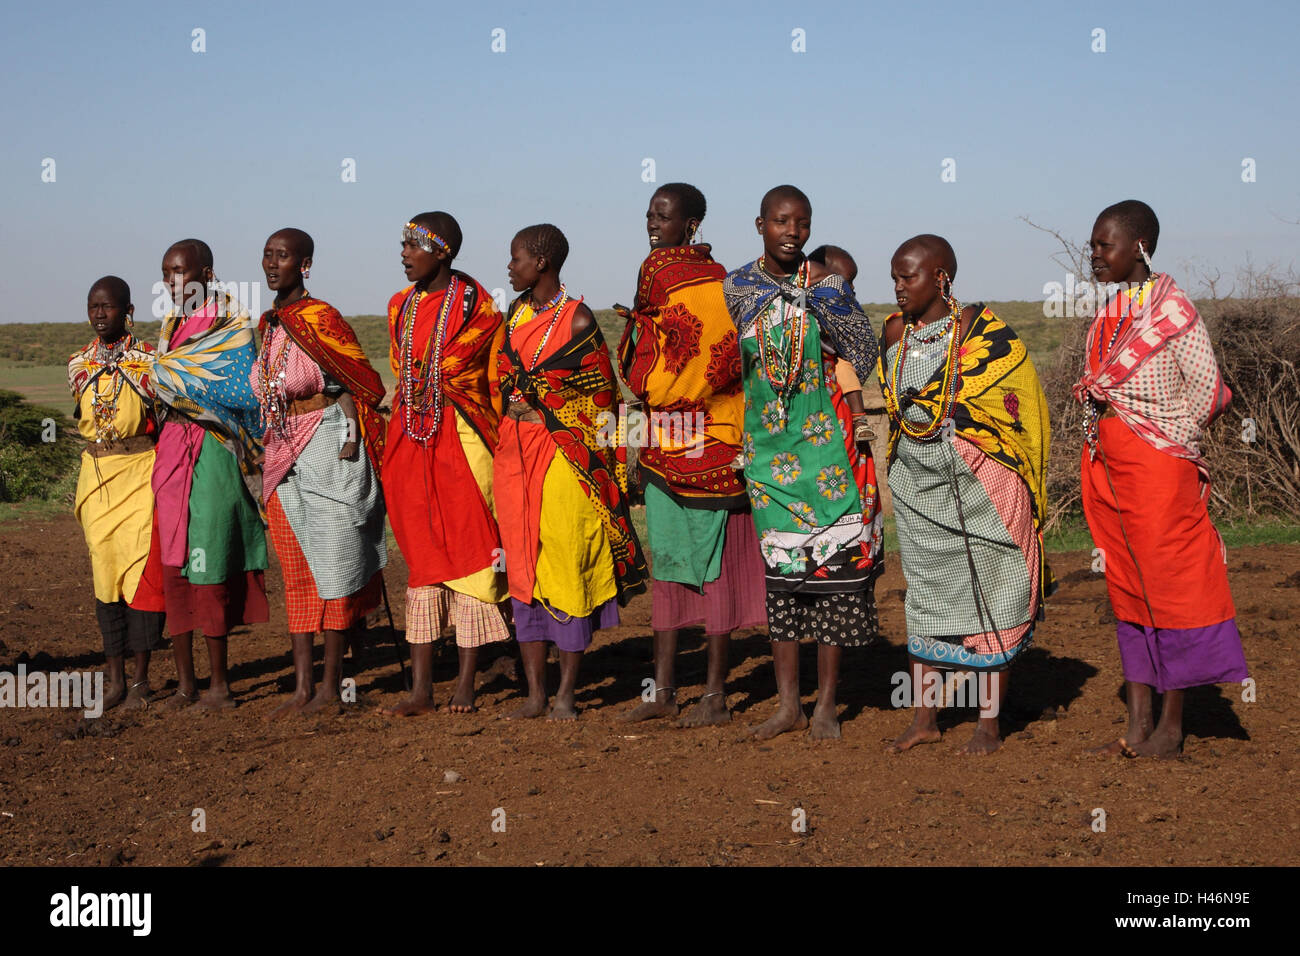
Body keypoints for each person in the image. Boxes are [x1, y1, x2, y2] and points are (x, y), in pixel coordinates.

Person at [1075, 200, 1249, 759]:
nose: (1095, 254)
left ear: (1139, 248)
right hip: (1108, 462)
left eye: (1106, 245)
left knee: (1171, 583)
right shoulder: (1113, 308)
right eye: (1095, 244)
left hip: (1157, 464)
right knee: (1127, 584)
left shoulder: (1174, 311)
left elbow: (1207, 392)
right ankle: (1138, 723)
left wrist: (1168, 440)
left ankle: (1172, 727)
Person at [881, 234, 1051, 755]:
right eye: (894, 277)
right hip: (919, 489)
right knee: (926, 599)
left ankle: (988, 726)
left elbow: (1017, 406)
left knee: (993, 595)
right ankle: (924, 719)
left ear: (940, 278)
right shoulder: (895, 332)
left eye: (907, 277)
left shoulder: (985, 333)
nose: (898, 287)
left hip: (983, 486)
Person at [722, 186, 881, 741]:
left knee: (834, 579)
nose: (793, 231)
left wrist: (815, 307)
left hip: (828, 451)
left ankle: (828, 706)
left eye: (802, 222)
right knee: (783, 582)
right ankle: (788, 706)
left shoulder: (829, 285)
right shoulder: (737, 286)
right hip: (768, 453)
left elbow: (864, 350)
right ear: (760, 224)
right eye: (782, 221)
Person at [616, 183, 766, 727]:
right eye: (650, 215)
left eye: (664, 216)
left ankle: (691, 695)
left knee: (683, 568)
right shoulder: (725, 281)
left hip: (672, 437)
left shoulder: (658, 274)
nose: (653, 224)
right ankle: (701, 696)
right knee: (693, 567)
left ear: (692, 224)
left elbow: (644, 364)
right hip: (717, 438)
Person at [495, 223, 648, 720]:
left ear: (541, 262)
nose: (510, 267)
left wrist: (612, 465)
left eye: (516, 258)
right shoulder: (515, 314)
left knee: (564, 562)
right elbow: (502, 378)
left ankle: (565, 694)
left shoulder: (578, 320)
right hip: (515, 453)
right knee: (522, 564)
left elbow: (604, 401)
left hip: (564, 457)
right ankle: (536, 695)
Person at [379, 212, 511, 716]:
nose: (405, 253)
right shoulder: (399, 307)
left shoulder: (478, 307)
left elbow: (490, 379)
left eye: (415, 245)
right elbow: (402, 371)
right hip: (413, 441)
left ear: (444, 252)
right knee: (423, 554)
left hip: (463, 437)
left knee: (473, 548)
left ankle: (466, 686)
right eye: (404, 244)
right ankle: (421, 690)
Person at [253, 228, 388, 718]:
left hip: (329, 446)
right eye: (268, 254)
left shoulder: (321, 318)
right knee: (296, 572)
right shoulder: (268, 325)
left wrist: (350, 428)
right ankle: (302, 688)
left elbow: (362, 381)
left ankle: (332, 687)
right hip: (282, 452)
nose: (273, 263)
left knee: (332, 564)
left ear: (304, 264)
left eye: (283, 256)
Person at [150, 239, 268, 710]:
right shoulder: (170, 326)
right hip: (173, 451)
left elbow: (242, 387)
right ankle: (185, 685)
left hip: (215, 449)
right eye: (165, 273)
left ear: (208, 273)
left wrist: (169, 375)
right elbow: (166, 379)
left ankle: (219, 685)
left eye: (180, 271)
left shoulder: (232, 323)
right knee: (172, 559)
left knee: (211, 557)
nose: (172, 282)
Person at [68, 276, 166, 710]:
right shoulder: (78, 365)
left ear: (127, 311)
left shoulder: (150, 361)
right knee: (104, 575)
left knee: (140, 574)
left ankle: (142, 681)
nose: (99, 314)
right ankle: (115, 680)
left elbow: (162, 416)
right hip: (97, 476)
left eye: (107, 307)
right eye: (93, 306)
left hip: (140, 471)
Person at [806, 243, 886, 635]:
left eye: (850, 284)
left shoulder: (839, 319)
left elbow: (859, 354)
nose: (845, 290)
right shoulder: (800, 312)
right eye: (840, 280)